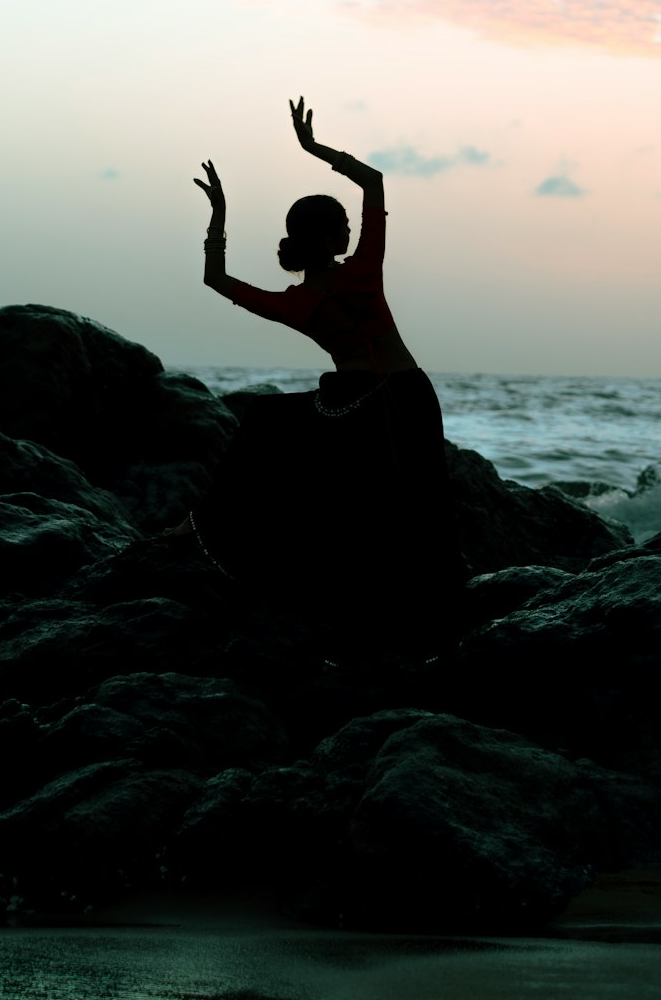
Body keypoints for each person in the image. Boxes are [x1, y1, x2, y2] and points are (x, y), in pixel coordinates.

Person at [186, 97, 464, 656]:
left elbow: (215, 277)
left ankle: (342, 606)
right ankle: (424, 621)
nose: (346, 231)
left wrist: (220, 212)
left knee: (282, 435)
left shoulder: (297, 302)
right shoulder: (363, 268)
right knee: (416, 511)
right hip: (406, 396)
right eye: (341, 225)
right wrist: (314, 150)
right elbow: (376, 183)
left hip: (359, 407)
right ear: (337, 237)